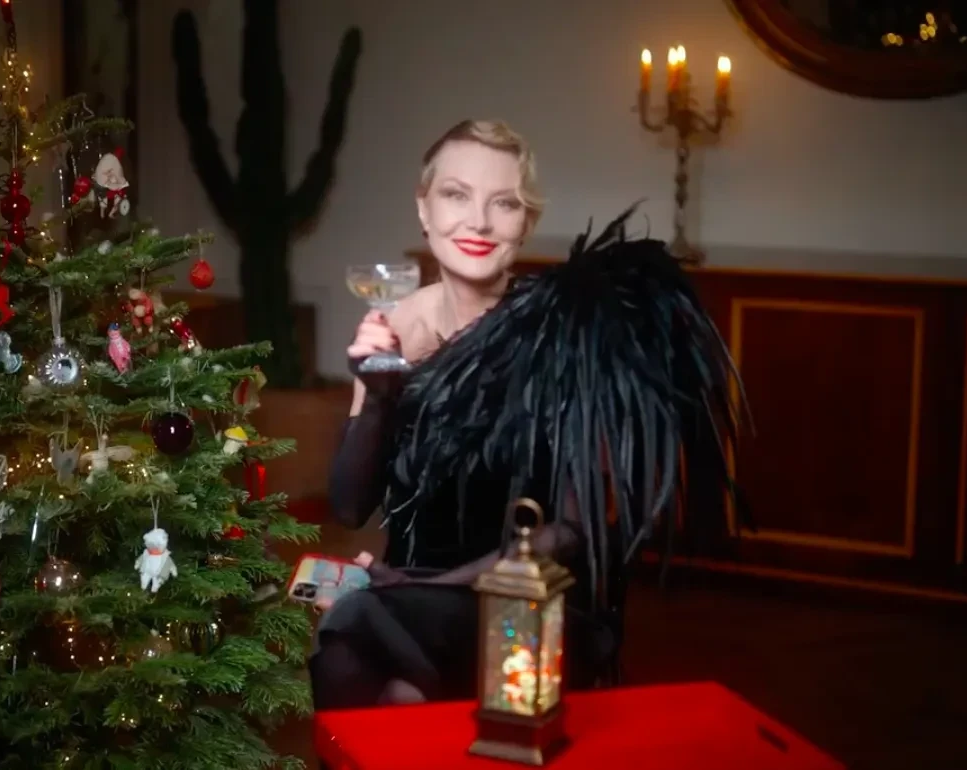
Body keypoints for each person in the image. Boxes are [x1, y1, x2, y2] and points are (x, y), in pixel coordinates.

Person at [310, 119, 742, 711]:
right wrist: (380, 395)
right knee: (377, 672)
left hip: (531, 598)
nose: (479, 222)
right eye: (456, 195)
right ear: (424, 208)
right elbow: (348, 506)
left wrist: (418, 584)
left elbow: (571, 532)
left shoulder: (561, 332)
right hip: (407, 603)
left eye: (504, 203)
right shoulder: (395, 325)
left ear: (527, 221)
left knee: (360, 634)